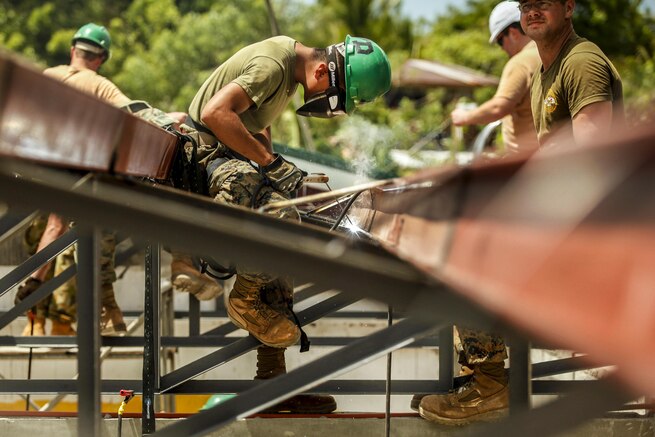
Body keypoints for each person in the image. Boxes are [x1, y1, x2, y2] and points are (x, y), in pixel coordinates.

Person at [180, 34, 391, 413]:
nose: (328, 104)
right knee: (282, 221)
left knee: (285, 250)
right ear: (325, 69)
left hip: (230, 158)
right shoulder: (274, 65)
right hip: (206, 157)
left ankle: (271, 385)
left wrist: (275, 168)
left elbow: (256, 124)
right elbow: (216, 114)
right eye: (337, 93)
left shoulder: (290, 74)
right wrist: (271, 167)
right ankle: (244, 299)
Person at [15, 23, 219, 336]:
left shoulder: (49, 76)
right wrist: (173, 118)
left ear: (74, 51)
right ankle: (105, 303)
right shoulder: (100, 86)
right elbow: (135, 115)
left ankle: (34, 284)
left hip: (37, 169)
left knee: (54, 225)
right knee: (93, 221)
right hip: (75, 171)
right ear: (101, 58)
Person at [518, 0, 623, 147]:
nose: (532, 12)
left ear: (568, 8)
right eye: (526, 6)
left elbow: (591, 154)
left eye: (542, 3)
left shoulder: (581, 63)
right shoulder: (539, 74)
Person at [450, 1, 540, 153]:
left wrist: (465, 117)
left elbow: (499, 107)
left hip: (526, 163)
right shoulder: (547, 55)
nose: (502, 49)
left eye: (500, 41)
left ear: (513, 33)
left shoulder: (520, 62)